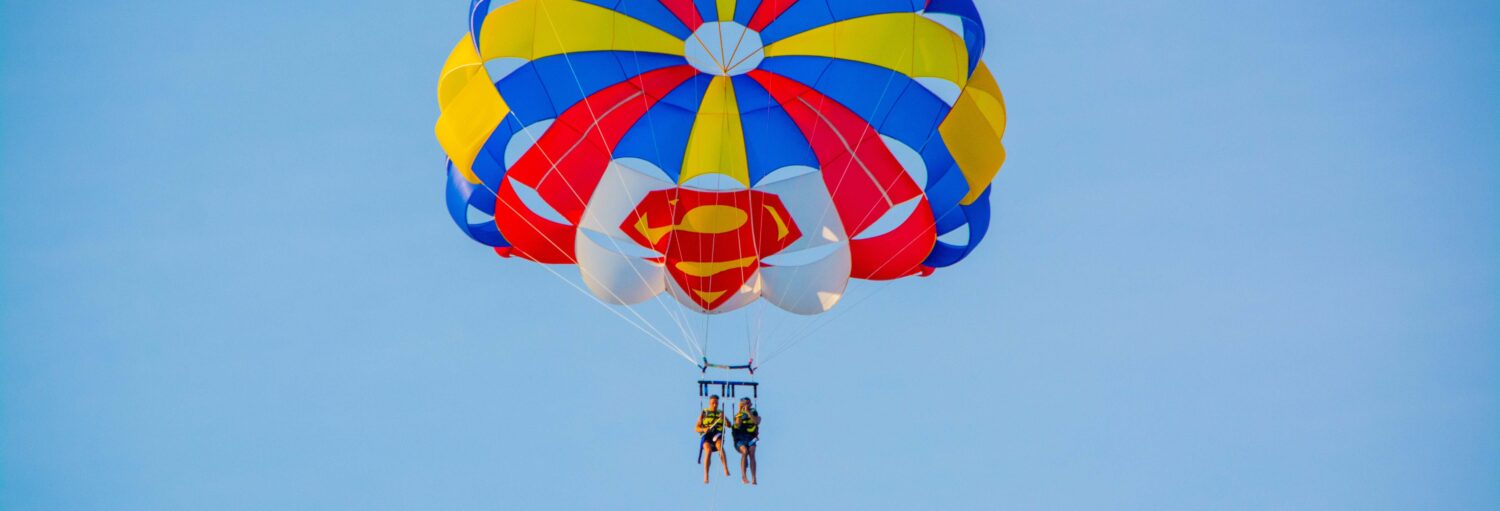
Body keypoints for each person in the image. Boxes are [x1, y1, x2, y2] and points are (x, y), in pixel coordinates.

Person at [695, 395, 730, 483]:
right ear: (709, 403)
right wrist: (703, 429)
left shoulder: (721, 413)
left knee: (719, 445)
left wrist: (724, 418)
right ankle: (706, 475)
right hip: (707, 435)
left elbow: (729, 425)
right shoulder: (704, 413)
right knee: (708, 450)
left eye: (716, 403)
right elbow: (696, 428)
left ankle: (725, 468)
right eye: (713, 403)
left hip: (717, 434)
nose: (714, 405)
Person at [731, 397, 760, 485]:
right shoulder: (738, 415)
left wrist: (748, 412)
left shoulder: (756, 415)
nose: (746, 405)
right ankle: (744, 476)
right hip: (739, 438)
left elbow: (756, 422)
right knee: (745, 451)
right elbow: (738, 425)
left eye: (748, 403)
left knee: (752, 452)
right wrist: (740, 409)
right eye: (745, 403)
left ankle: (754, 477)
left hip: (750, 438)